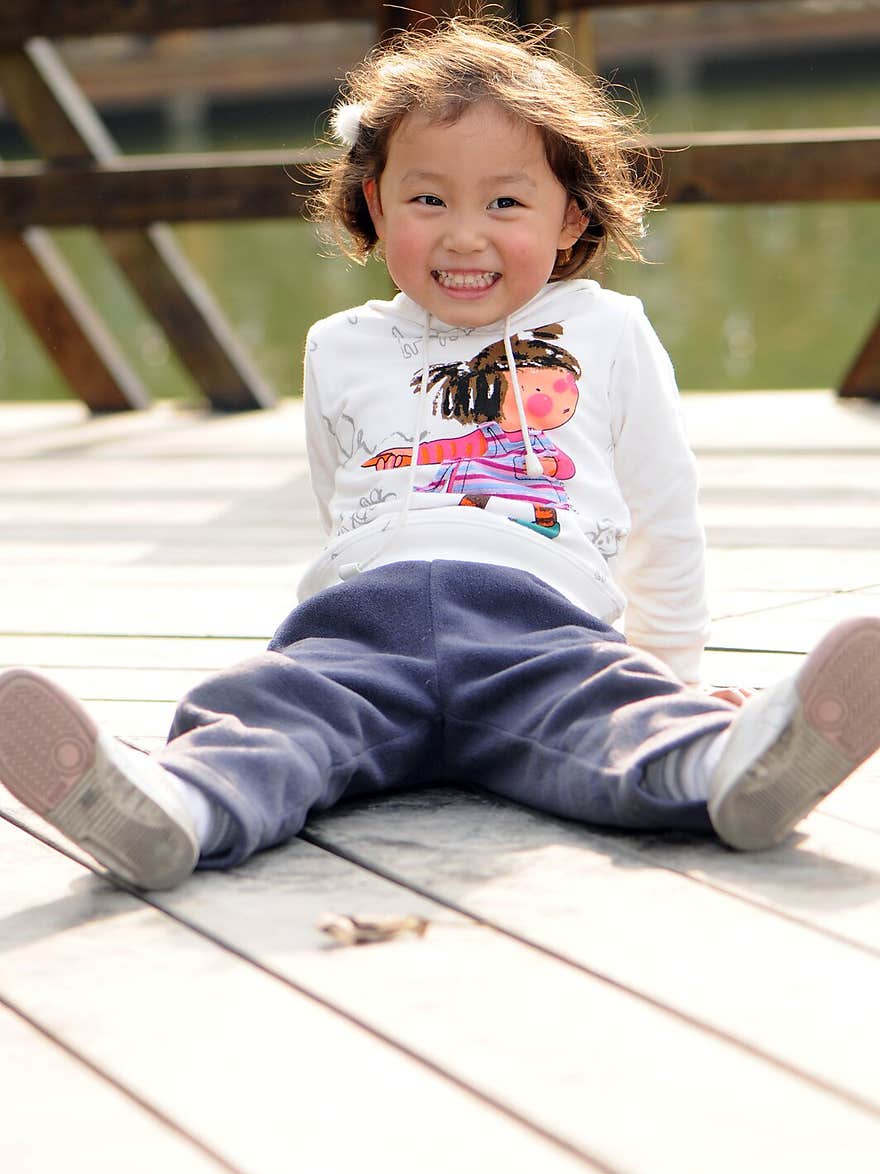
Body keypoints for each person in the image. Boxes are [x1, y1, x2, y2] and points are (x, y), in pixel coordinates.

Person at [0, 16, 878, 892]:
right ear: (377, 205)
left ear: (570, 213)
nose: (464, 236)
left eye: (505, 202)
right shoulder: (338, 345)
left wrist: (677, 677)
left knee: (611, 715)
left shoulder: (606, 330)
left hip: (538, 621)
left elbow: (663, 515)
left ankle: (727, 769)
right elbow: (338, 501)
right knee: (266, 711)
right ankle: (177, 808)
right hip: (361, 628)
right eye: (429, 201)